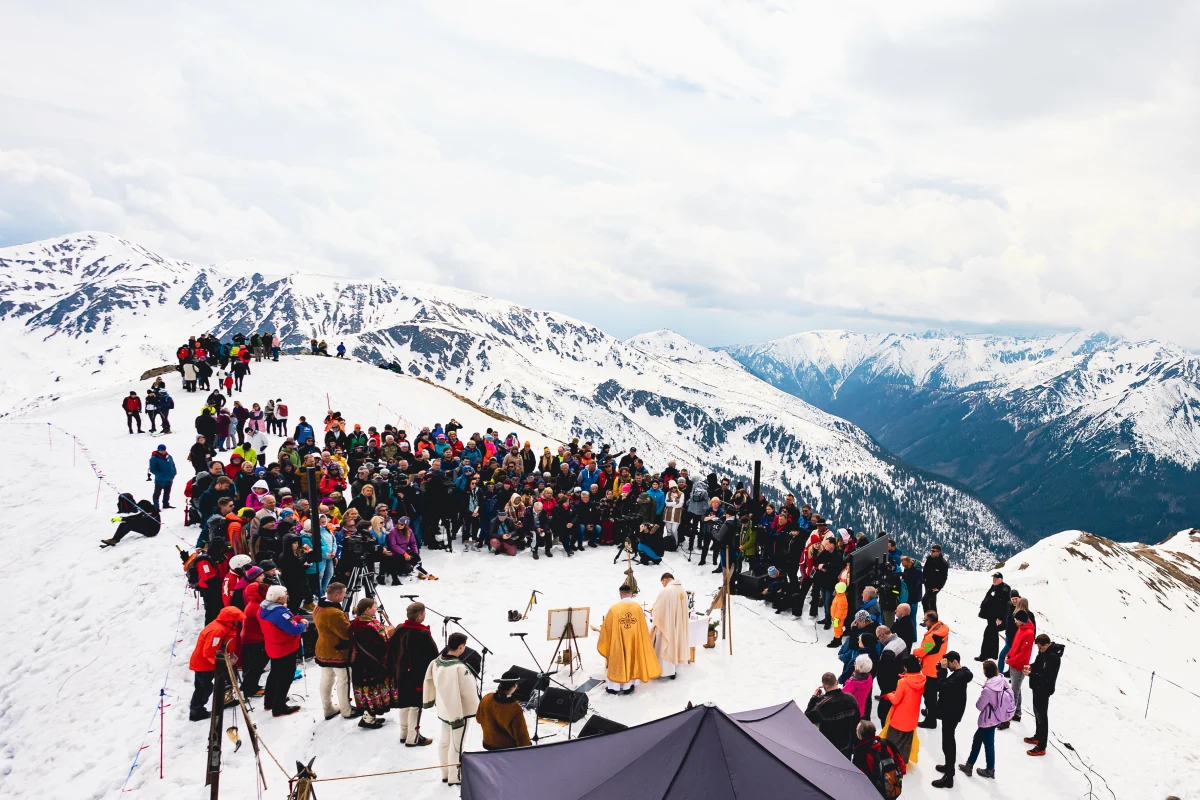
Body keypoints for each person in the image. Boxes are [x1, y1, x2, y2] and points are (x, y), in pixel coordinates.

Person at [423, 632, 480, 787]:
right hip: (458, 712)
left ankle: (445, 772)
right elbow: (469, 692)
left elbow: (428, 681)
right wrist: (477, 708)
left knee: (444, 741)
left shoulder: (436, 662)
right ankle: (455, 775)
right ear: (461, 646)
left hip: (444, 710)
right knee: (457, 744)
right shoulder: (460, 668)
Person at [388, 602, 439, 747]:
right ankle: (413, 737)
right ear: (419, 616)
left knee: (404, 703)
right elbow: (433, 656)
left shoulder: (399, 629)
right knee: (415, 706)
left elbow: (391, 649)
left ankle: (404, 733)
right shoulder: (422, 633)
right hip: (416, 676)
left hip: (400, 673)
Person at [596, 583, 662, 694]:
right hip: (633, 641)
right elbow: (642, 627)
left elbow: (606, 627)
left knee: (618, 660)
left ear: (620, 594)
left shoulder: (614, 609)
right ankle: (628, 686)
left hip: (619, 641)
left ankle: (614, 687)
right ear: (631, 593)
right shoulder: (637, 608)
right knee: (632, 659)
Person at [959, 659, 1014, 779]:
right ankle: (970, 765)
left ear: (985, 672)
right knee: (977, 740)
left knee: (988, 745)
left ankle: (989, 769)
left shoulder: (988, 689)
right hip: (997, 718)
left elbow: (979, 706)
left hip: (989, 720)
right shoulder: (1002, 680)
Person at [259, 584, 307, 716]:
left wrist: (295, 619)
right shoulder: (280, 613)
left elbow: (282, 624)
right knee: (285, 677)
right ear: (279, 599)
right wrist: (302, 624)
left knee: (274, 674)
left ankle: (269, 701)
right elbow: (295, 629)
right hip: (285, 648)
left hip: (273, 647)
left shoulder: (263, 608)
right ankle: (279, 706)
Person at [188, 606, 243, 721]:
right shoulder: (217, 631)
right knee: (204, 688)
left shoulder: (227, 626)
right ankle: (196, 710)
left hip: (217, 660)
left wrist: (229, 655)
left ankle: (227, 700)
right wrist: (224, 662)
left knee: (228, 680)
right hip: (204, 664)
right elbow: (209, 652)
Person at [348, 597, 393, 729]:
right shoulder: (374, 625)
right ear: (367, 610)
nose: (376, 609)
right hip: (374, 665)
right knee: (374, 690)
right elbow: (386, 643)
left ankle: (369, 716)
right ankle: (368, 719)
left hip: (359, 664)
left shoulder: (354, 623)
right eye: (374, 606)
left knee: (365, 692)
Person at [314, 583, 357, 721]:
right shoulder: (334, 613)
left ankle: (328, 708)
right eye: (343, 594)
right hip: (337, 651)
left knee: (327, 678)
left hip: (323, 648)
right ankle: (346, 710)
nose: (345, 596)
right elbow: (346, 633)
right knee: (344, 679)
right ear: (336, 595)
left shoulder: (319, 606)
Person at [930, 651, 973, 789]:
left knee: (948, 743)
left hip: (951, 713)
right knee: (947, 741)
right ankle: (949, 767)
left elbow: (942, 686)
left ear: (954, 661)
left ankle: (949, 776)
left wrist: (942, 672)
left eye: (948, 664)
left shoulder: (959, 677)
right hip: (952, 711)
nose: (947, 667)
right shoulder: (962, 673)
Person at [804, 671, 861, 757]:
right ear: (837, 682)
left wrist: (814, 698)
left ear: (823, 686)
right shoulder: (851, 698)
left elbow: (808, 717)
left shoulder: (823, 705)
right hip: (846, 744)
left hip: (828, 747)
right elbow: (856, 720)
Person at [882, 655, 926, 765]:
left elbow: (896, 700)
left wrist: (889, 694)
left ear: (906, 668)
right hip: (912, 718)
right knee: (906, 742)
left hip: (899, 718)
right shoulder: (922, 679)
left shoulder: (903, 682)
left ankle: (889, 763)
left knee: (891, 742)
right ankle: (902, 762)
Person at [1025, 634, 1063, 757]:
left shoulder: (1053, 657)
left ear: (1047, 645)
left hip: (1044, 689)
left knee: (1042, 716)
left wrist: (1031, 674)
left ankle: (1042, 746)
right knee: (1036, 712)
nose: (1039, 650)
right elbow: (1037, 664)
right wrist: (1031, 667)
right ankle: (1038, 736)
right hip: (1037, 686)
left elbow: (1047, 676)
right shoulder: (1043, 652)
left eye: (1041, 647)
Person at [476, 672, 532, 751]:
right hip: (506, 750)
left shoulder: (486, 698)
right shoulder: (515, 709)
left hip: (488, 744)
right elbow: (522, 738)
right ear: (515, 685)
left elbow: (479, 719)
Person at [650, 573, 689, 680]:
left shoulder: (666, 590)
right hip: (678, 625)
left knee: (665, 645)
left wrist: (654, 613)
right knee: (676, 644)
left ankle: (663, 671)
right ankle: (673, 671)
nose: (663, 585)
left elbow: (658, 608)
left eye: (662, 582)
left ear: (665, 580)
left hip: (667, 625)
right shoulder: (683, 590)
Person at [852, 720, 905, 799]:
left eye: (856, 730)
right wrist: (896, 778)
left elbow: (858, 776)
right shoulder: (887, 743)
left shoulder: (860, 752)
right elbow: (900, 763)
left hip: (874, 791)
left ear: (860, 736)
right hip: (892, 787)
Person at [914, 610, 949, 728]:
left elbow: (923, 651)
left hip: (930, 669)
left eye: (925, 620)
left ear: (930, 621)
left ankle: (930, 720)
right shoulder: (943, 628)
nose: (924, 622)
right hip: (938, 666)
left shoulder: (931, 637)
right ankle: (930, 712)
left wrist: (914, 652)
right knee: (932, 695)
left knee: (930, 696)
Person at [1002, 610, 1036, 729]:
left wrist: (1011, 661)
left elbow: (1023, 655)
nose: (1015, 621)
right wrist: (1009, 655)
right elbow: (1015, 645)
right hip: (1013, 664)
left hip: (1019, 666)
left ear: (1021, 620)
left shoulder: (1029, 633)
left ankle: (1007, 719)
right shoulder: (1021, 629)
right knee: (1017, 689)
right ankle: (1017, 713)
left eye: (1016, 619)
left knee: (1013, 693)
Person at [239, 581, 268, 699]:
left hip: (253, 639)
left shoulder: (255, 603)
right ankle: (250, 689)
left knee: (255, 665)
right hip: (254, 640)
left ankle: (248, 686)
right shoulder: (256, 607)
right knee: (256, 665)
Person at [874, 626, 906, 728]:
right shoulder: (900, 640)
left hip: (890, 687)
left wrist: (884, 689)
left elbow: (884, 672)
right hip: (899, 680)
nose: (878, 640)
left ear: (882, 635)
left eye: (878, 637)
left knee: (883, 713)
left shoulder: (889, 650)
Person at [975, 572, 1011, 661]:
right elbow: (989, 597)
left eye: (996, 578)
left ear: (1001, 579)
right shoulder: (994, 586)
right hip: (990, 616)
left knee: (987, 634)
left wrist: (1000, 617)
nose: (994, 580)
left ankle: (984, 655)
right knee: (993, 635)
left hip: (996, 618)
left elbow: (1004, 605)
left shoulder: (1004, 589)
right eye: (993, 578)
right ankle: (993, 654)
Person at [148, 444, 177, 510]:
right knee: (157, 493)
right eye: (160, 450)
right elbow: (152, 469)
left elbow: (173, 464)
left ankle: (166, 504)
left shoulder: (169, 456)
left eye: (163, 450)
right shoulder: (154, 458)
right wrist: (160, 475)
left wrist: (174, 472)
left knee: (167, 492)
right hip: (160, 479)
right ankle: (156, 506)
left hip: (169, 478)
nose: (162, 451)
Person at [922, 545, 947, 613]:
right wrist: (923, 579)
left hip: (935, 587)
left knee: (925, 601)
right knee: (932, 603)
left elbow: (944, 577)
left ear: (938, 552)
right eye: (931, 551)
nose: (931, 553)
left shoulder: (943, 563)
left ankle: (928, 619)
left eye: (933, 551)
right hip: (927, 584)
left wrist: (939, 587)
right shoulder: (929, 559)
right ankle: (932, 621)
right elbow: (925, 569)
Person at [828, 581, 849, 648]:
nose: (835, 590)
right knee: (838, 628)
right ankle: (838, 639)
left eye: (836, 589)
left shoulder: (841, 599)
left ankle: (836, 641)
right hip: (836, 617)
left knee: (837, 629)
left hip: (838, 618)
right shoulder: (839, 596)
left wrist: (836, 618)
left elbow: (840, 610)